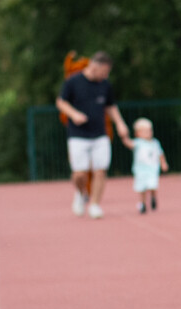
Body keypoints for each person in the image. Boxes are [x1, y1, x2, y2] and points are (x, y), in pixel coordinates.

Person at [55, 52, 131, 220]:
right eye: (104, 72)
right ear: (94, 67)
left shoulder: (105, 85)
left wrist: (120, 123)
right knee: (79, 174)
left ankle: (95, 204)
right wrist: (73, 114)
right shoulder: (73, 81)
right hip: (78, 135)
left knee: (100, 170)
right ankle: (80, 193)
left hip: (100, 135)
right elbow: (61, 102)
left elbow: (110, 106)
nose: (106, 75)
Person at [125, 117, 169, 214]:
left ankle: (153, 197)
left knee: (152, 185)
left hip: (152, 168)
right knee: (142, 188)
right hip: (140, 169)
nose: (148, 133)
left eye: (149, 130)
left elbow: (160, 154)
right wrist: (124, 136)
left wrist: (163, 163)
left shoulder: (155, 143)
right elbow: (129, 144)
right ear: (138, 133)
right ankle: (142, 203)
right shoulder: (138, 142)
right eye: (144, 131)